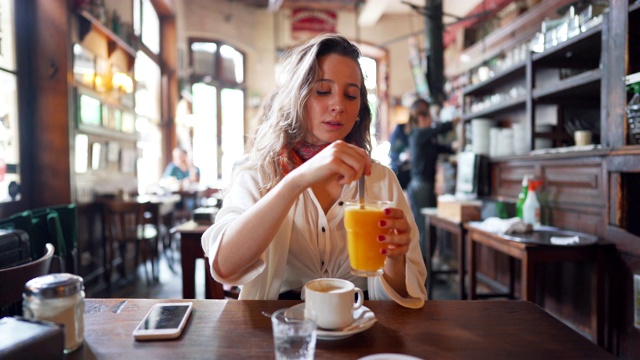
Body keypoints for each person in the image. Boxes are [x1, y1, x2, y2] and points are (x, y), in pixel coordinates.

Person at [201, 34, 426, 308]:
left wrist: (395, 258)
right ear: (297, 97)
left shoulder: (379, 179)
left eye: (351, 95)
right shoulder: (260, 173)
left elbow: (410, 296)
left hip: (360, 326)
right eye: (322, 91)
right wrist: (296, 180)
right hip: (278, 329)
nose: (339, 105)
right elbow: (225, 267)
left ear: (359, 109)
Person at [406, 98, 459, 258]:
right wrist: (453, 122)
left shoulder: (424, 140)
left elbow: (440, 149)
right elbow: (437, 130)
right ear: (422, 118)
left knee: (427, 231)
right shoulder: (417, 134)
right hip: (421, 186)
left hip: (422, 186)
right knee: (425, 231)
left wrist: (452, 147)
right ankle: (422, 276)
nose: (431, 122)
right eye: (429, 118)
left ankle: (424, 272)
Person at [388, 121, 411, 189]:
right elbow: (393, 155)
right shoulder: (396, 137)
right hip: (399, 170)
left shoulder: (408, 136)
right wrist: (403, 156)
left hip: (408, 170)